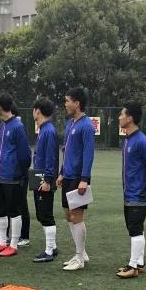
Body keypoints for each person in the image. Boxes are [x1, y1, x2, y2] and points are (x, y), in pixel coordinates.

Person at [116, 101, 146, 278]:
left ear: (130, 118)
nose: (119, 117)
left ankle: (132, 266)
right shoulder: (128, 139)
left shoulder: (141, 141)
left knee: (134, 228)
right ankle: (139, 263)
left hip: (139, 193)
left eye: (122, 114)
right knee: (135, 227)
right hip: (130, 192)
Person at [0, 94, 31, 258]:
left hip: (12, 177)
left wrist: (20, 173)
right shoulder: (3, 125)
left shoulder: (17, 126)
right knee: (0, 210)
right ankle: (2, 242)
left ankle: (13, 244)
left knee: (14, 211)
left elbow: (24, 154)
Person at [57, 87, 94, 271]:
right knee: (67, 213)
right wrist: (62, 172)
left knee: (76, 215)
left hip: (79, 177)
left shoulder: (87, 125)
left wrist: (84, 178)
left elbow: (88, 153)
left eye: (67, 101)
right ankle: (82, 253)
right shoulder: (70, 123)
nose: (65, 104)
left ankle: (79, 258)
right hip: (68, 175)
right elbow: (67, 150)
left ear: (77, 103)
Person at [30, 97, 59, 262]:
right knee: (41, 214)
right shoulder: (43, 129)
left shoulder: (48, 131)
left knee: (45, 214)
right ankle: (52, 247)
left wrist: (47, 180)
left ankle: (49, 251)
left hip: (43, 177)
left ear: (38, 111)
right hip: (38, 175)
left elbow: (51, 158)